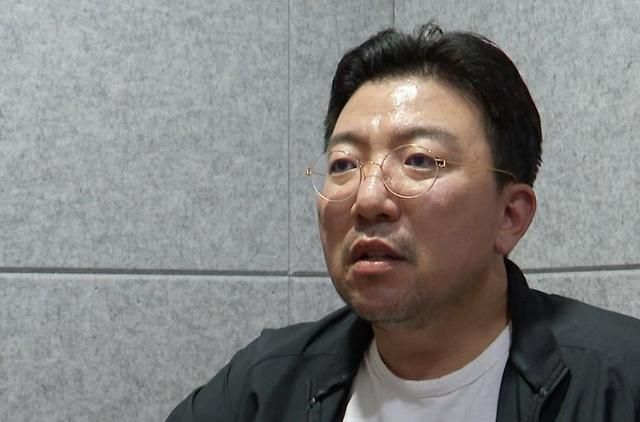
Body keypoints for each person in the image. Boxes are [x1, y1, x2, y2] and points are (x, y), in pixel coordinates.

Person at [166, 23, 640, 421]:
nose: (368, 199)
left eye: (418, 160)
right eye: (344, 164)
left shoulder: (619, 384)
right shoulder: (265, 385)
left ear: (509, 216)